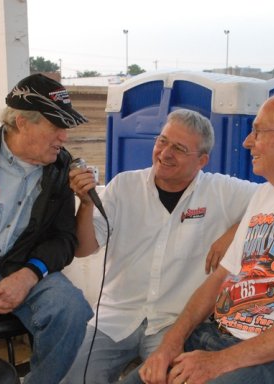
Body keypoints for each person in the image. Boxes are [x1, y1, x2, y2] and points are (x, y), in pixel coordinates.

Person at [126, 91, 274, 384]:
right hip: (216, 337)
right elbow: (219, 279)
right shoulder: (264, 194)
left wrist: (217, 363)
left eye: (258, 132)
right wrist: (170, 343)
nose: (247, 142)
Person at [61, 108, 258, 384]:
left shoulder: (221, 191)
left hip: (175, 325)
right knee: (73, 374)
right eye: (162, 141)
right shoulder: (124, 185)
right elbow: (83, 249)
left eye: (179, 148)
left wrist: (234, 233)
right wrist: (86, 203)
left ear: (202, 160)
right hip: (116, 316)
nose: (165, 153)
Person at [0, 73, 93, 384]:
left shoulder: (60, 170)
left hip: (20, 267)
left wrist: (31, 273)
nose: (64, 137)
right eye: (56, 126)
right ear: (22, 122)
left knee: (71, 310)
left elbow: (64, 239)